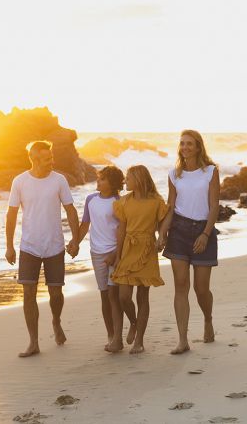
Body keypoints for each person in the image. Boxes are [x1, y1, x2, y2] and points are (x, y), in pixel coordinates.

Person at [5, 140, 80, 357]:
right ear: (34, 159)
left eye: (52, 157)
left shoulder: (59, 180)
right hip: (29, 246)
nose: (52, 162)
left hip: (54, 245)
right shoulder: (20, 181)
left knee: (55, 292)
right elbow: (11, 215)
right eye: (47, 159)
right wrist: (9, 246)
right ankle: (34, 342)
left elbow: (70, 210)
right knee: (28, 293)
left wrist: (75, 240)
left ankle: (56, 321)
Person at [159, 129, 220, 355]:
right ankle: (183, 339)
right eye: (182, 143)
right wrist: (162, 233)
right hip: (179, 231)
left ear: (198, 147)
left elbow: (214, 205)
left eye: (189, 144)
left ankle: (208, 319)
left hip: (203, 230)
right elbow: (171, 206)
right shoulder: (174, 174)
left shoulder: (210, 172)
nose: (185, 147)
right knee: (181, 284)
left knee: (201, 289)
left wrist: (205, 234)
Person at [78, 166, 137, 351]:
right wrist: (74, 242)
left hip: (115, 252)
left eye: (102, 179)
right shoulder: (91, 200)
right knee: (104, 295)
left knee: (114, 295)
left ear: (112, 184)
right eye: (99, 178)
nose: (98, 181)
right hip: (96, 253)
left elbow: (124, 229)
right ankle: (111, 335)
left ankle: (121, 335)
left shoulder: (119, 201)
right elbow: (85, 224)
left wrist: (116, 254)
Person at [111, 165, 169, 354]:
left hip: (147, 249)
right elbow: (121, 229)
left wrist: (162, 238)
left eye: (128, 178)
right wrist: (118, 255)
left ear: (139, 179)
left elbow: (162, 226)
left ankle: (139, 341)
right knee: (124, 297)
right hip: (128, 248)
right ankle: (134, 323)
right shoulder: (124, 202)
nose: (125, 181)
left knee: (143, 297)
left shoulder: (156, 202)